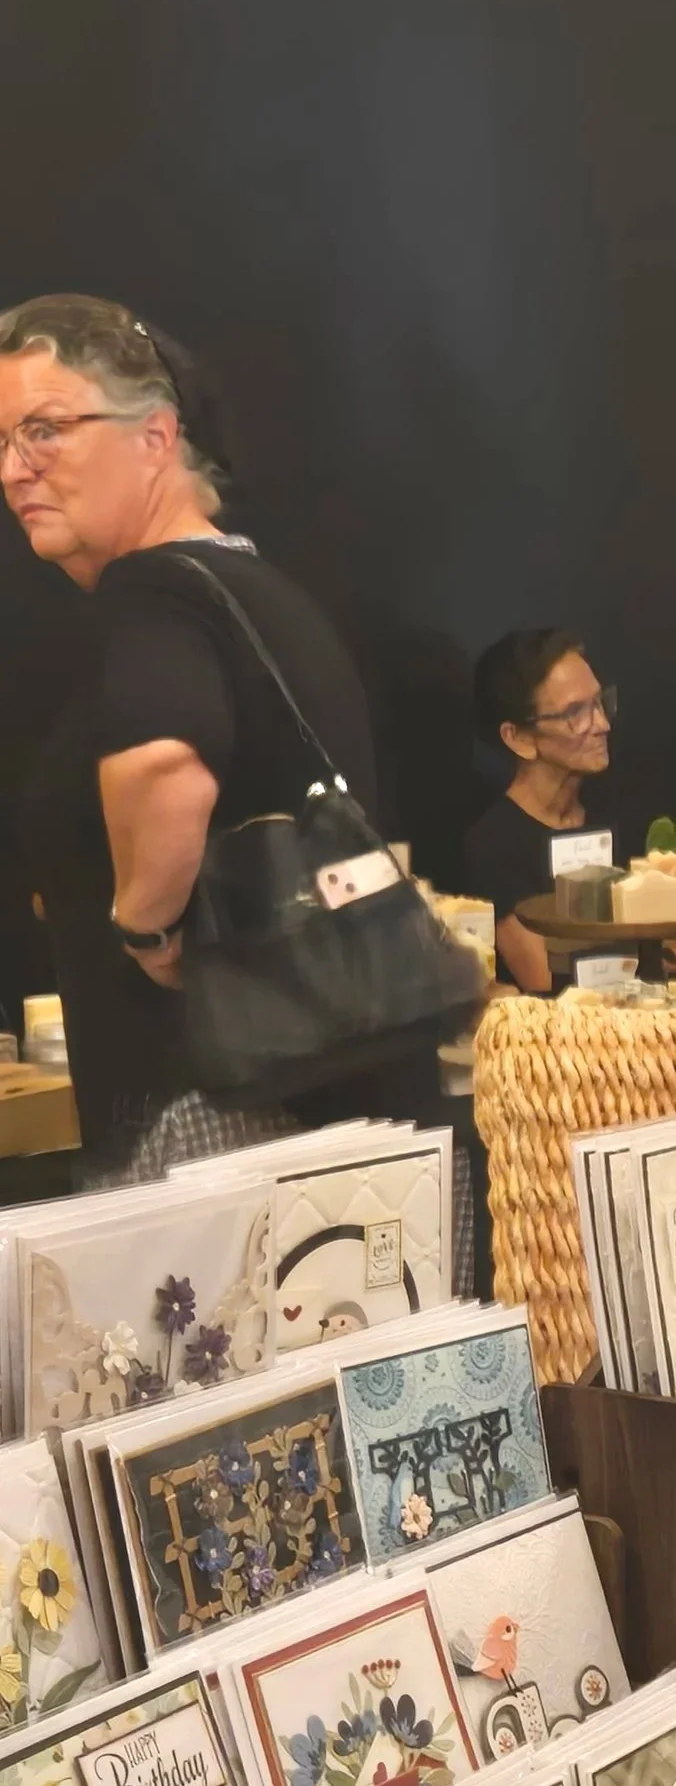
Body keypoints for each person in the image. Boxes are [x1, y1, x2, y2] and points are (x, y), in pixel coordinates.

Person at [0, 291, 433, 1175]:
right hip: (348, 1116)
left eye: (45, 430)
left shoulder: (153, 592)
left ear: (156, 436)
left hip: (219, 1130)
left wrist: (147, 933)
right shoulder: (256, 594)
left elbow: (165, 767)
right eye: (4, 443)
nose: (14, 471)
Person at [463, 630, 616, 993]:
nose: (603, 725)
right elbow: (545, 980)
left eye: (600, 703)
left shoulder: (616, 814)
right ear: (519, 738)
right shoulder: (494, 845)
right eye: (575, 713)